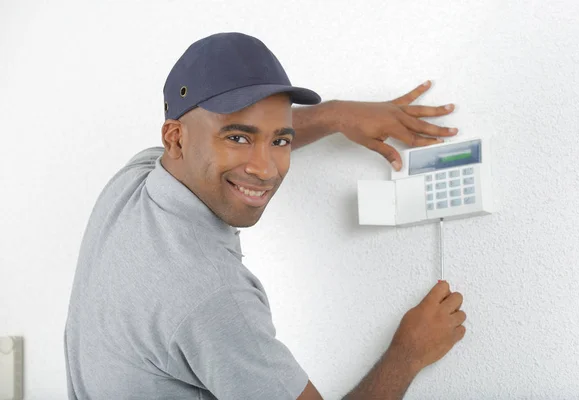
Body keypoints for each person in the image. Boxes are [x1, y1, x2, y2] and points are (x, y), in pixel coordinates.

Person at [64, 32, 466, 400]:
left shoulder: (133, 182)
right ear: (176, 138)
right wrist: (408, 354)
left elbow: (246, 133)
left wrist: (334, 115)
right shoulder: (213, 299)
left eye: (280, 140)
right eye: (237, 138)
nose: (267, 168)